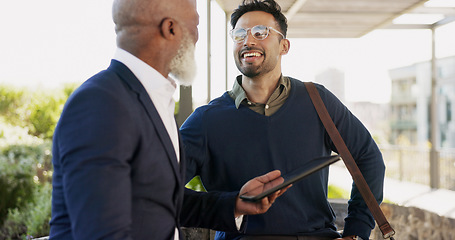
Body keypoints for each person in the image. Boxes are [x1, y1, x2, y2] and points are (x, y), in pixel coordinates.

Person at [49, 0, 289, 239]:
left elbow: (161, 199)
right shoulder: (102, 104)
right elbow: (100, 232)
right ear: (171, 29)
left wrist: (235, 204)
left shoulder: (152, 99)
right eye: (195, 26)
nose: (197, 38)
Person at [180, 0, 386, 240]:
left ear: (284, 46)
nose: (248, 41)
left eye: (260, 32)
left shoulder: (318, 101)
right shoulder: (205, 121)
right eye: (239, 34)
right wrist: (232, 204)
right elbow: (159, 189)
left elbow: (368, 158)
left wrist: (357, 231)